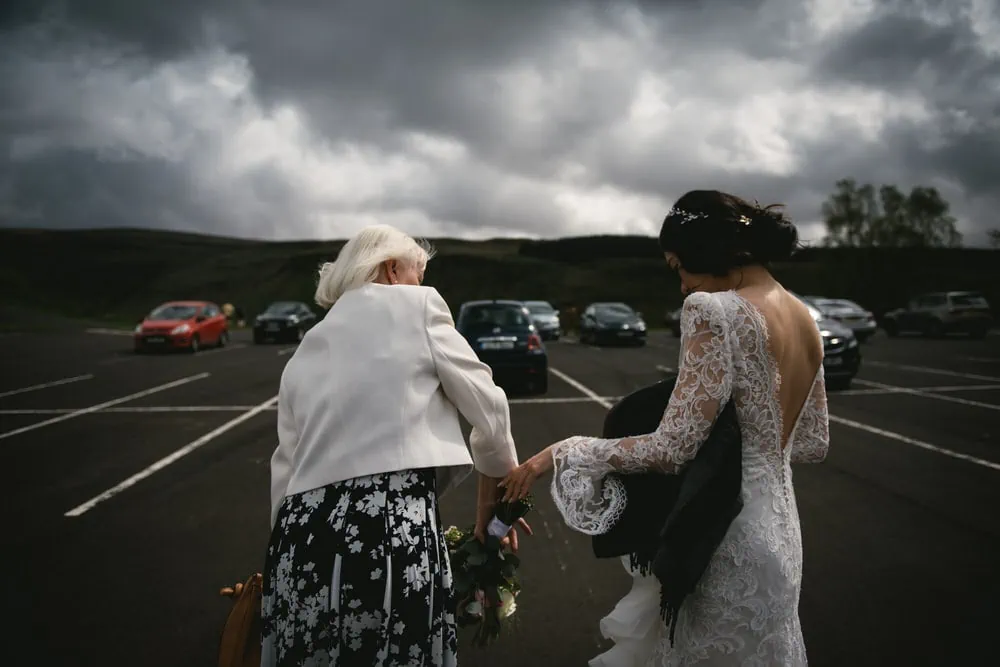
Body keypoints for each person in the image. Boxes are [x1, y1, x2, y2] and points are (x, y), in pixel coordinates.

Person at [500, 190, 831, 666]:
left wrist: (565, 450)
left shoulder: (715, 311)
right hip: (780, 532)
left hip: (724, 536)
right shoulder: (804, 316)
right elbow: (813, 443)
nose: (681, 287)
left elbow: (672, 448)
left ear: (704, 252)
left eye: (678, 268)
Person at [261, 223, 526, 667]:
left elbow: (284, 465)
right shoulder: (417, 305)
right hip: (385, 528)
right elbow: (491, 410)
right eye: (417, 273)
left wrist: (277, 555)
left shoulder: (308, 344)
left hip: (298, 537)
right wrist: (494, 509)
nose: (421, 283)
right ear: (390, 268)